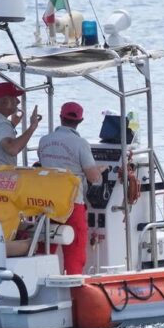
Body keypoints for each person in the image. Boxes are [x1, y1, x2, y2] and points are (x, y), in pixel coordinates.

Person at [37, 102, 102, 275]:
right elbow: (93, 177)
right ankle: (75, 292)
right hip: (73, 203)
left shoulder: (44, 141)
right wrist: (103, 169)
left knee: (45, 248)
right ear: (80, 121)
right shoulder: (80, 144)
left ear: (61, 117)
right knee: (75, 250)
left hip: (47, 203)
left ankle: (39, 282)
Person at [0, 81, 42, 166]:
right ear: (4, 101)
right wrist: (32, 127)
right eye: (14, 97)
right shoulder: (1, 124)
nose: (18, 101)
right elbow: (12, 149)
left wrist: (12, 125)